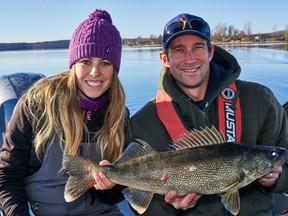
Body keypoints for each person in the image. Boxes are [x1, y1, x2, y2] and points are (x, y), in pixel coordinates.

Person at [130, 13, 288, 215]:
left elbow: (286, 161)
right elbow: (140, 207)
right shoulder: (144, 122)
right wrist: (168, 206)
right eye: (179, 50)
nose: (190, 58)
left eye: (198, 47)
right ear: (164, 58)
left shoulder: (259, 99)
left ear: (211, 52)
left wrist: (274, 179)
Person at [0, 9, 130, 215]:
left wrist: (110, 186)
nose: (95, 72)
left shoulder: (118, 115)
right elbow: (7, 175)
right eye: (86, 61)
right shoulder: (37, 104)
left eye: (105, 63)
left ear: (114, 69)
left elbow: (117, 196)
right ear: (73, 64)